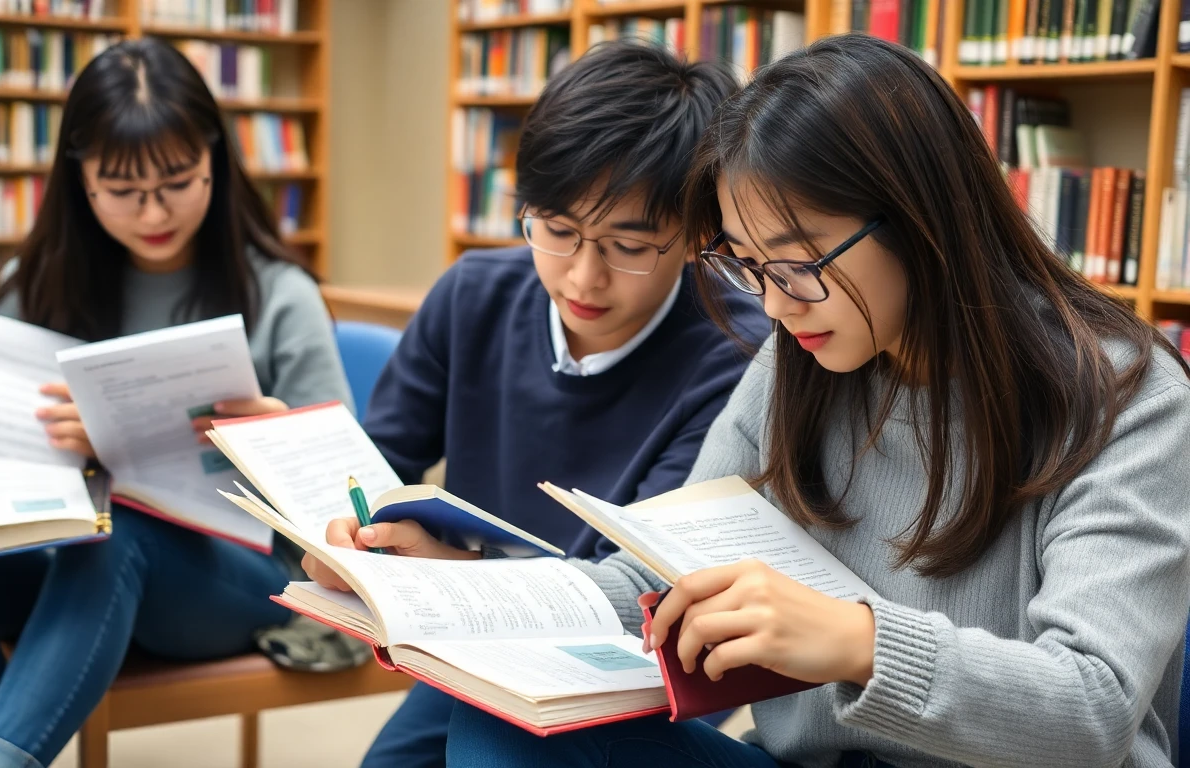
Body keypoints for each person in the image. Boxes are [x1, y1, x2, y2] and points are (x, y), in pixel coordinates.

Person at [438, 34, 1190, 767]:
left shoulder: (1126, 397)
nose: (774, 305)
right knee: (497, 728)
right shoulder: (804, 354)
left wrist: (857, 642)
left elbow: (1094, 708)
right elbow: (657, 576)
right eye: (749, 266)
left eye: (797, 264)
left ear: (920, 221)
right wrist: (447, 592)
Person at [0, 38, 353, 768]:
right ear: (80, 181)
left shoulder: (278, 294)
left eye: (177, 181)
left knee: (119, 528)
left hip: (229, 580)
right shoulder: (33, 284)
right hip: (61, 566)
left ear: (215, 162)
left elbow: (347, 509)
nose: (154, 211)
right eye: (123, 190)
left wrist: (273, 442)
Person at [300, 40, 770, 767]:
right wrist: (344, 532)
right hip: (477, 629)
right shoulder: (474, 295)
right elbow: (376, 463)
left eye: (626, 245)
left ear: (695, 238)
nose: (583, 275)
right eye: (556, 232)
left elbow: (638, 584)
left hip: (624, 669)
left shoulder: (738, 358)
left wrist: (461, 571)